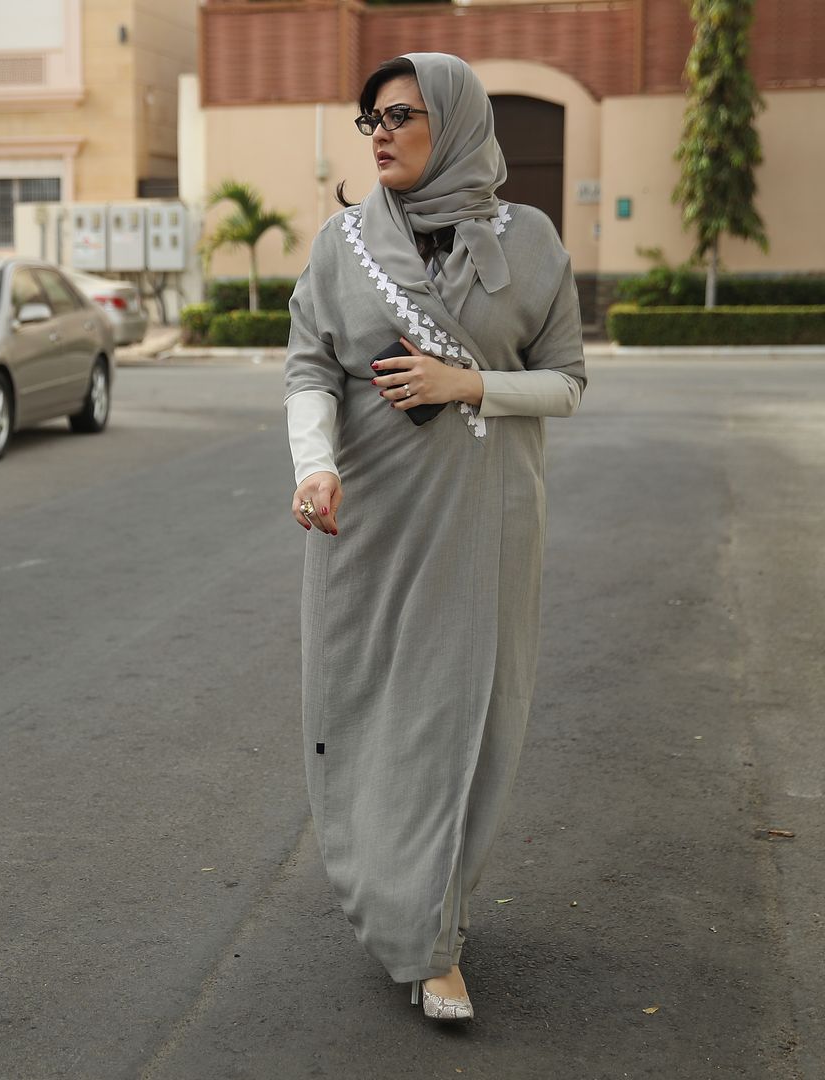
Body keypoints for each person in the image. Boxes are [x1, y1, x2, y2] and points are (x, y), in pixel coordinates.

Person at [283, 52, 586, 1022]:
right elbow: (308, 369)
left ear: (451, 122)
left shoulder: (531, 241)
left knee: (461, 722)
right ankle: (398, 897)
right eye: (371, 114)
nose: (379, 130)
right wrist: (313, 466)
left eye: (402, 113)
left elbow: (570, 382)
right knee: (377, 715)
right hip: (368, 523)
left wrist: (472, 385)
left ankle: (435, 938)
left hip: (488, 522)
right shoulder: (342, 245)